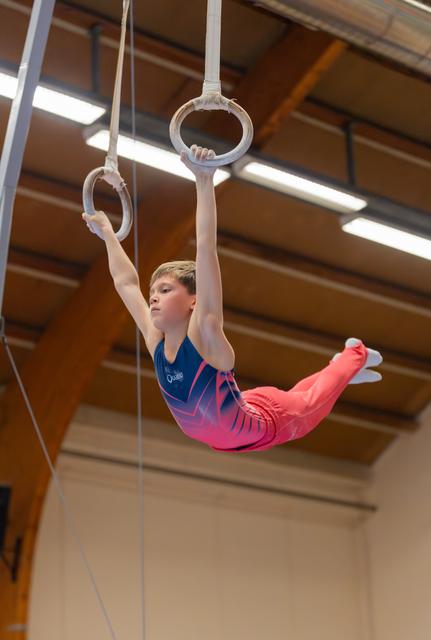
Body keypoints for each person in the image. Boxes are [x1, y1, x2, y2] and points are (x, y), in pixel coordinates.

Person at [82, 145, 382, 453]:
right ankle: (341, 370)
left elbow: (205, 249)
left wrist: (204, 179)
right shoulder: (155, 339)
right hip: (240, 424)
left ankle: (352, 356)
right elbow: (125, 282)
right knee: (307, 396)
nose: (153, 299)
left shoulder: (205, 334)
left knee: (310, 404)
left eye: (165, 290)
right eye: (153, 293)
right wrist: (107, 233)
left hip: (270, 420)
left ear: (194, 301)